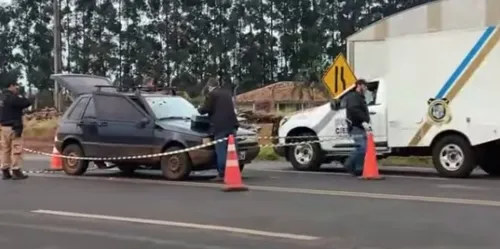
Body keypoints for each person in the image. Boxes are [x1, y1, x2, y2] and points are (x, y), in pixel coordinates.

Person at [198, 77, 239, 179]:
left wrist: (199, 109)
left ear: (210, 86)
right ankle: (234, 170)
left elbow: (206, 109)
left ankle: (222, 172)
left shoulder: (212, 94)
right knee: (232, 150)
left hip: (220, 126)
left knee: (221, 150)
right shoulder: (227, 93)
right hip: (232, 125)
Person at [0, 81, 32, 180]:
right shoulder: (13, 98)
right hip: (14, 127)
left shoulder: (1, 98)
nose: (16, 89)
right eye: (15, 87)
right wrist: (28, 97)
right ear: (11, 86)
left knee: (5, 149)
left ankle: (5, 170)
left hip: (3, 127)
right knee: (16, 149)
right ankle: (16, 170)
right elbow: (26, 103)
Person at [343, 79, 371, 176]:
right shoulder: (354, 97)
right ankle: (350, 164)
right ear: (359, 85)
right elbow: (354, 110)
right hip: (355, 126)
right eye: (364, 86)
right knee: (362, 147)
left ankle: (358, 168)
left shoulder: (360, 97)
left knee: (364, 147)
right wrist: (363, 120)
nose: (366, 88)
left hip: (360, 126)